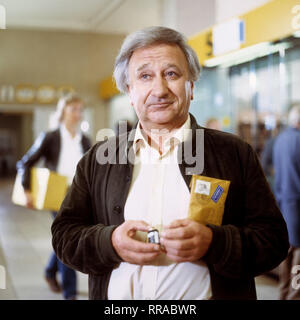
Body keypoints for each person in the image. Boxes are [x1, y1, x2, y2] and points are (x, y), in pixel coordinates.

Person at [51, 26, 289, 300]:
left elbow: (273, 241)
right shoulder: (98, 159)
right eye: (145, 76)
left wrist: (215, 242)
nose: (159, 89)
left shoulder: (235, 154)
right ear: (130, 91)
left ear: (191, 87)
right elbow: (64, 236)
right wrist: (110, 242)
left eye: (171, 74)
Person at [17, 93, 91, 300]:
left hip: (78, 193)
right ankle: (70, 294)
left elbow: (92, 169)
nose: (78, 114)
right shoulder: (50, 136)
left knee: (65, 237)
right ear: (63, 111)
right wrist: (27, 189)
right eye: (73, 109)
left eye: (80, 110)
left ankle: (50, 271)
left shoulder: (84, 139)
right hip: (56, 193)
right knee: (69, 238)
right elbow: (25, 162)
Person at [273, 105, 300, 300]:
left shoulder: (280, 139)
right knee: (299, 255)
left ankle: (283, 292)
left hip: (284, 203)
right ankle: (294, 295)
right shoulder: (298, 139)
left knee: (287, 252)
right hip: (297, 204)